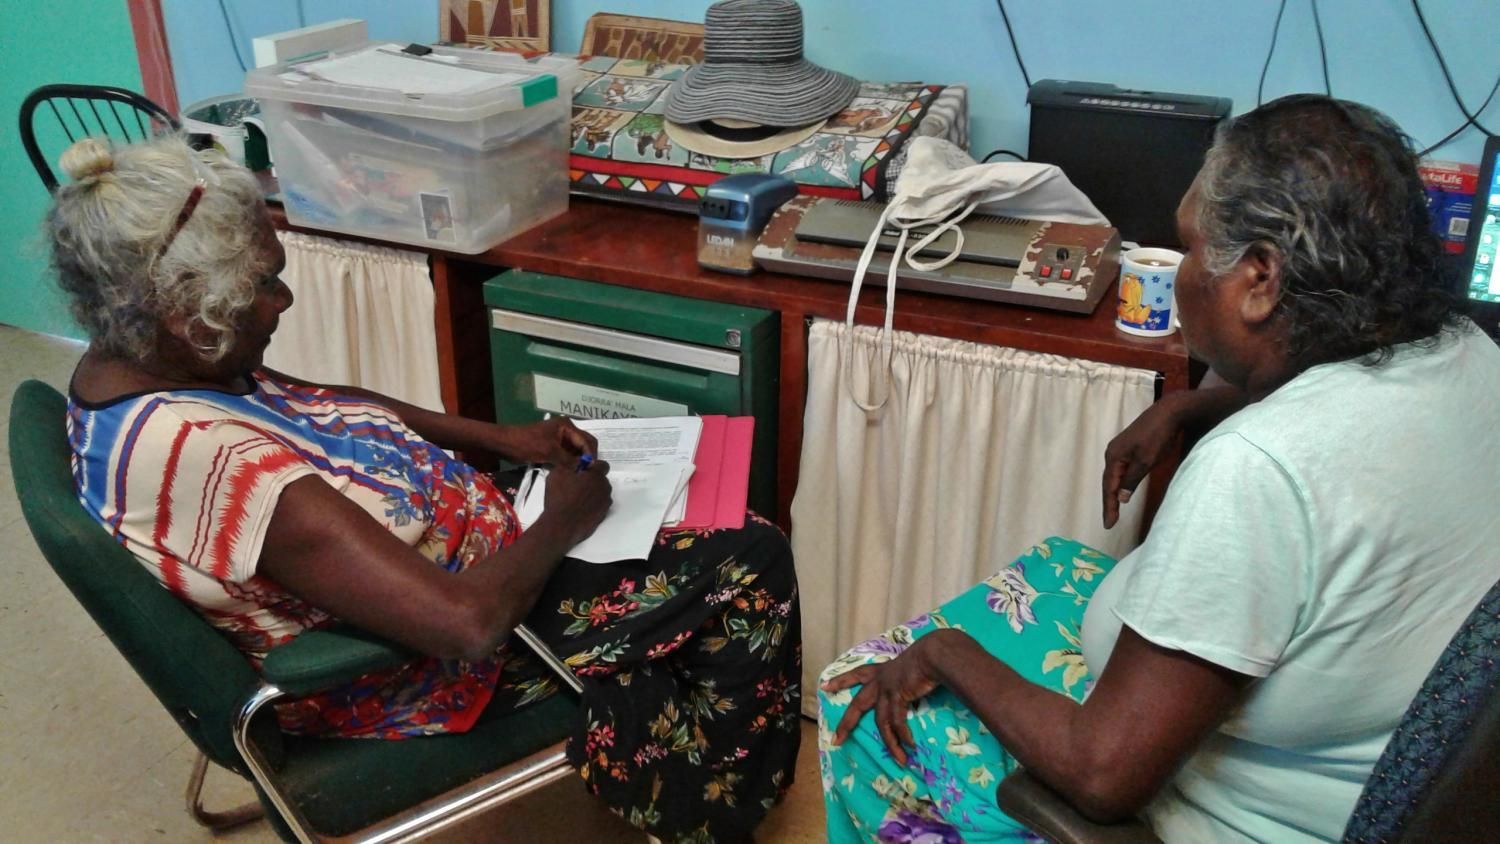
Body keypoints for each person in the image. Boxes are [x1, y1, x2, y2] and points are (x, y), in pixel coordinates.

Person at [48, 135, 800, 844]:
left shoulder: (150, 360)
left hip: (468, 565)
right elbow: (465, 626)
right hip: (435, 661)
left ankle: (660, 739)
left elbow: (325, 402)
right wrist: (562, 523)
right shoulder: (217, 463)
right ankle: (715, 811)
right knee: (750, 556)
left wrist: (504, 439)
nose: (282, 301)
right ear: (186, 314)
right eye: (262, 286)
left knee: (695, 518)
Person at [818, 94, 1500, 843]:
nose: (1178, 278)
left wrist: (945, 653)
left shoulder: (1257, 471)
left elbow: (1103, 774)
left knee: (858, 697)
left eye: (1188, 251)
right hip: (1355, 763)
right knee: (1054, 559)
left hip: (1226, 807)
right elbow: (1343, 432)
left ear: (1261, 279)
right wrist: (1188, 407)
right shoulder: (1469, 354)